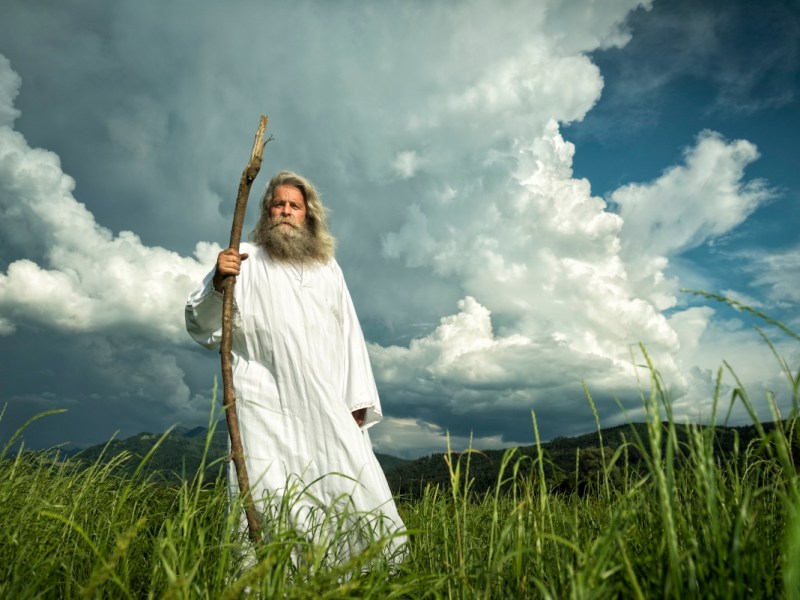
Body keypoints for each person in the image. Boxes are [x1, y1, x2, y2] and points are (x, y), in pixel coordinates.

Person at [185, 170, 405, 565]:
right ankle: (270, 579)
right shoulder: (243, 260)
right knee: (269, 491)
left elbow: (349, 333)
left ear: (309, 215)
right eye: (278, 204)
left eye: (294, 206)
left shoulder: (327, 268)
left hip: (323, 400)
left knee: (349, 481)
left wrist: (357, 399)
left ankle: (363, 574)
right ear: (267, 212)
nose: (285, 211)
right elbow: (202, 325)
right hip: (261, 402)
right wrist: (219, 280)